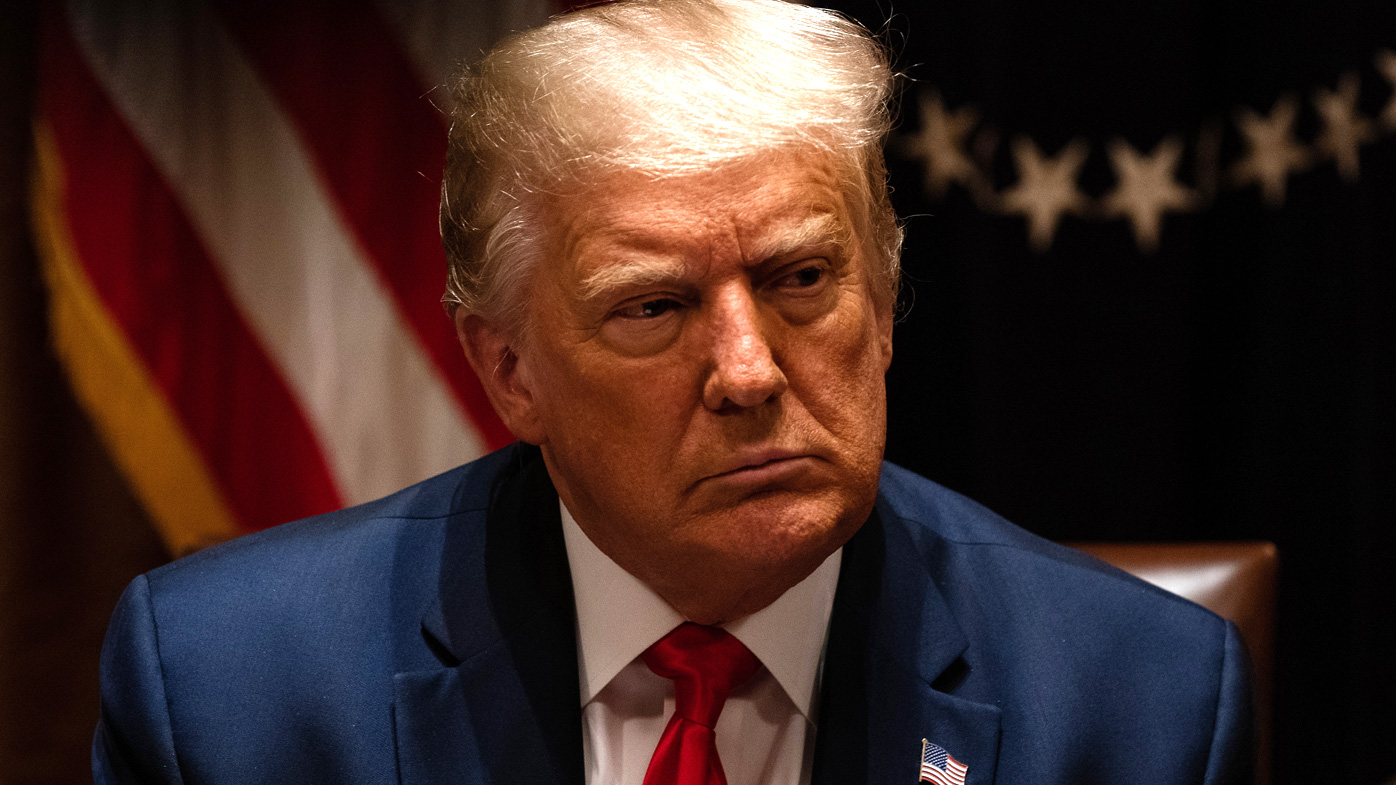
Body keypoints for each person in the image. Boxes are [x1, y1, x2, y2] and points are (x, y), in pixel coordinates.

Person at [93, 1, 1253, 783]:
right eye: (653, 306)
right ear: (509, 369)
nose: (749, 371)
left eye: (802, 279)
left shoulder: (1138, 705)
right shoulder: (229, 691)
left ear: (885, 305)